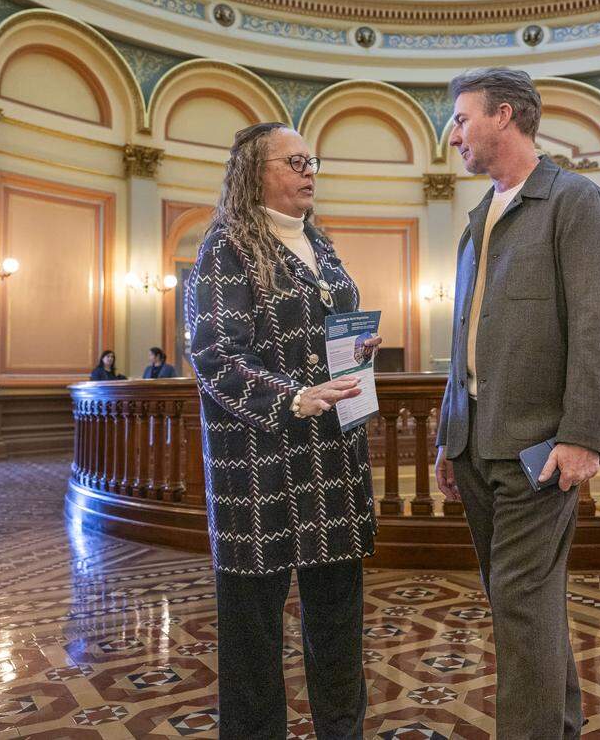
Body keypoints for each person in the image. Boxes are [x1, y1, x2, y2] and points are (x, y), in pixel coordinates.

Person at [432, 67, 600, 739]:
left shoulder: (576, 201)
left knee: (519, 606)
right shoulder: (480, 216)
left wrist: (581, 434)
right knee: (525, 605)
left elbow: (596, 327)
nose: (452, 134)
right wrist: (446, 438)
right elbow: (465, 335)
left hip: (538, 447)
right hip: (475, 444)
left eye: (461, 118)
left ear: (504, 115)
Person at [184, 121, 382, 740]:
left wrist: (354, 349)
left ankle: (342, 732)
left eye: (312, 161)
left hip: (333, 461)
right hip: (261, 464)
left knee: (337, 622)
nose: (309, 171)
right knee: (252, 632)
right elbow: (216, 355)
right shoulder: (227, 246)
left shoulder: (320, 245)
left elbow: (321, 332)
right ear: (253, 172)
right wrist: (294, 396)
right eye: (295, 161)